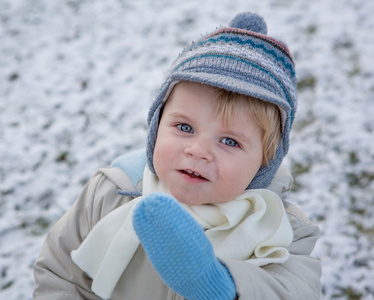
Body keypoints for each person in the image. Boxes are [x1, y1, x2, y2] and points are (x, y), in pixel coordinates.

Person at [33, 12, 321, 300]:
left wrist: (221, 288)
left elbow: (293, 292)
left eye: (229, 141)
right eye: (185, 127)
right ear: (157, 127)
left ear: (265, 162)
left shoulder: (280, 231)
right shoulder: (111, 193)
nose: (197, 150)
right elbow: (60, 273)